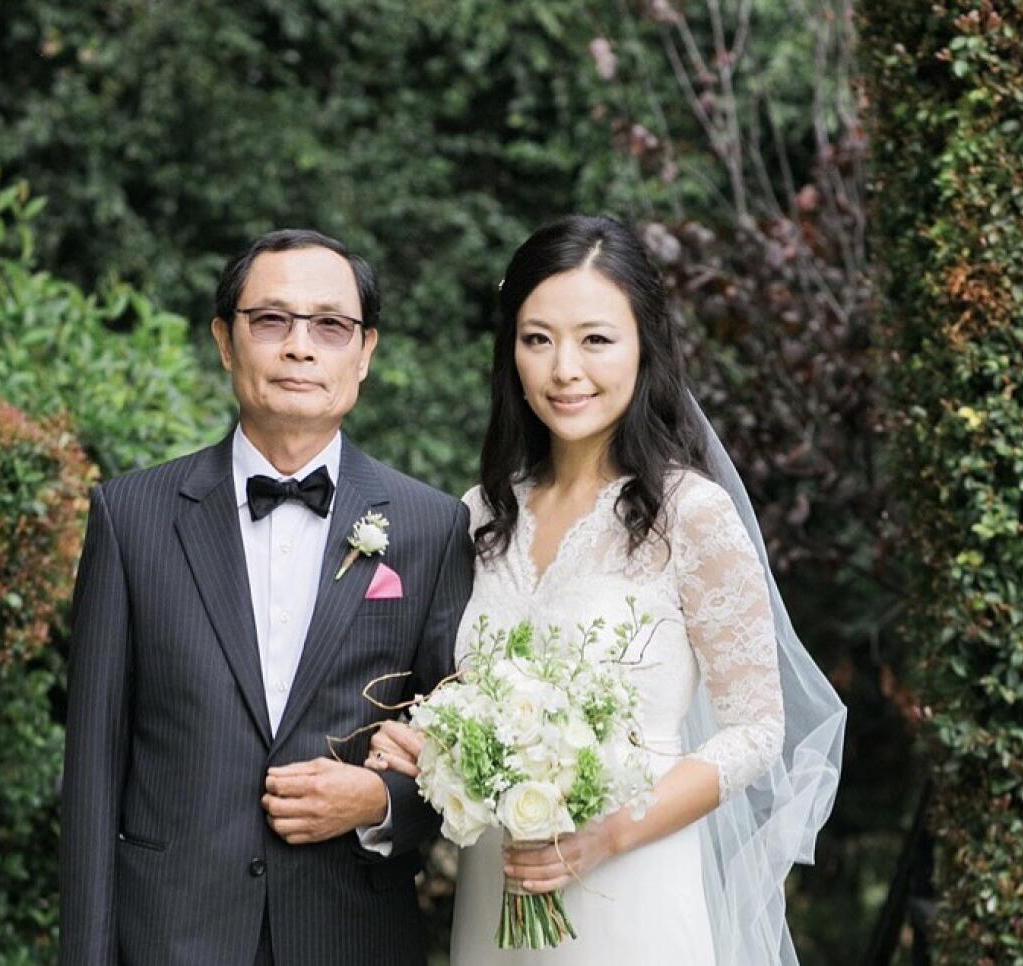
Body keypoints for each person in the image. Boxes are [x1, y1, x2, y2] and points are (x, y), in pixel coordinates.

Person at [368, 214, 846, 964]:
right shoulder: (480, 514)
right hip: (498, 892)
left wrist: (609, 832)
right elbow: (459, 696)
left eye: (595, 338)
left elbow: (756, 731)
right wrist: (433, 747)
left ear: (644, 346)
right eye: (537, 339)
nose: (564, 369)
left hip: (636, 888)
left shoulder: (690, 515)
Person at [60, 229, 474, 965]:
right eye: (271, 320)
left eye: (330, 326)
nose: (300, 347)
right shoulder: (131, 518)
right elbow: (92, 771)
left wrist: (379, 802)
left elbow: (461, 752)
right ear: (226, 341)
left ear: (365, 351)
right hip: (171, 937)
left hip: (352, 933)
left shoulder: (433, 527)